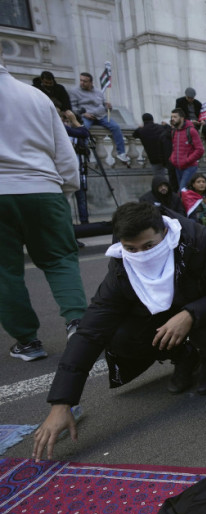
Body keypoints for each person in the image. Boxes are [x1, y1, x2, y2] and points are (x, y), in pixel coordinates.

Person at [30, 202, 206, 460]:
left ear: (166, 234)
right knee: (117, 336)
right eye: (131, 249)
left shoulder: (201, 242)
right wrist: (62, 402)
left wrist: (191, 314)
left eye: (149, 247)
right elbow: (90, 332)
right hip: (167, 317)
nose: (141, 254)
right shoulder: (122, 266)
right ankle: (184, 355)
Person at [1, 57, 86, 361]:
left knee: (5, 272)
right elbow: (64, 152)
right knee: (61, 259)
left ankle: (27, 341)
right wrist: (65, 189)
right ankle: (79, 325)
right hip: (44, 187)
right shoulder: (36, 96)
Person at [69, 71, 130, 164]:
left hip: (101, 116)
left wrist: (108, 106)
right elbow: (73, 108)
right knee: (83, 130)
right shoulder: (74, 92)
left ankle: (121, 152)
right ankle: (83, 151)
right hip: (87, 116)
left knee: (116, 127)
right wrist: (84, 114)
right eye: (81, 80)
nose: (82, 83)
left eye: (85, 81)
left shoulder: (98, 91)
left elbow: (104, 104)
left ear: (91, 82)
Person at [59, 108, 92, 225]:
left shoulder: (72, 132)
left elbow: (86, 137)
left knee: (81, 199)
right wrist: (74, 121)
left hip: (79, 170)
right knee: (65, 201)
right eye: (64, 119)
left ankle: (85, 223)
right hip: (65, 172)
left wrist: (74, 122)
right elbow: (84, 132)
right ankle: (68, 225)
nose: (65, 122)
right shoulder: (62, 131)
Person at [175, 87, 206, 157]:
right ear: (186, 96)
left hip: (197, 122)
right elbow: (178, 114)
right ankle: (195, 150)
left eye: (192, 98)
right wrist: (191, 121)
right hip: (187, 123)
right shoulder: (179, 102)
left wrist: (203, 121)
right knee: (193, 130)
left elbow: (202, 114)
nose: (191, 100)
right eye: (189, 98)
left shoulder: (198, 103)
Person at [170, 107, 205, 190]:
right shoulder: (173, 131)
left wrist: (187, 160)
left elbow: (200, 150)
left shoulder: (191, 131)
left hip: (190, 167)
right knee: (186, 191)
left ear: (181, 118)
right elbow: (174, 148)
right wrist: (172, 159)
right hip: (178, 167)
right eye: (172, 117)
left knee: (182, 190)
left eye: (175, 117)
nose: (172, 119)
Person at [133, 113, 173, 182]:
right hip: (164, 155)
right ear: (153, 120)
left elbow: (134, 134)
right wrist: (166, 125)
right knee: (170, 175)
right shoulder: (160, 127)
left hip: (153, 158)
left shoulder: (142, 130)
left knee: (159, 177)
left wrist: (140, 127)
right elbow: (170, 130)